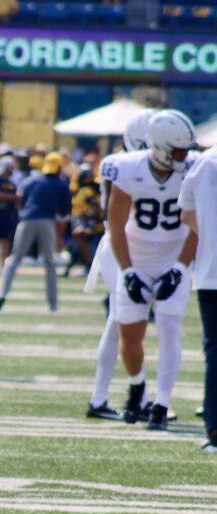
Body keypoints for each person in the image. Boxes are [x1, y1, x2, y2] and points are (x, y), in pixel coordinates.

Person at [108, 110, 198, 431]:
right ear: (159, 147)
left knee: (170, 326)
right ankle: (137, 386)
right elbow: (115, 225)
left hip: (174, 257)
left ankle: (161, 403)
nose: (184, 156)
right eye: (177, 150)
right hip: (137, 258)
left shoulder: (193, 168)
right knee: (129, 332)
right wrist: (128, 270)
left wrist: (179, 267)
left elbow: (197, 227)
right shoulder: (128, 168)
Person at [84, 110, 157, 420]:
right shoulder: (124, 166)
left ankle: (138, 396)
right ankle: (108, 398)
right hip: (120, 246)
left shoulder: (127, 163)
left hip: (130, 247)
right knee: (119, 322)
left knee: (123, 325)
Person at [0, 152, 71, 311]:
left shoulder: (31, 180)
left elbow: (20, 198)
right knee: (49, 262)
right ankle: (53, 302)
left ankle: (1, 294)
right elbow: (64, 211)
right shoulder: (61, 184)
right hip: (47, 221)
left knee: (14, 259)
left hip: (26, 220)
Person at [177, 142, 217, 451]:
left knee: (215, 352)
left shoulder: (206, 161)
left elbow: (187, 215)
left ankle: (215, 429)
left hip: (211, 270)